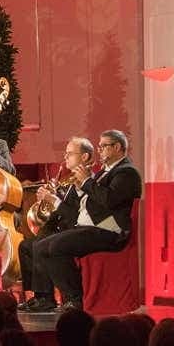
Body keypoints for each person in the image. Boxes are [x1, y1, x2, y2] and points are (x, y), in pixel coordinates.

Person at [22, 130, 142, 313]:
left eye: (103, 146)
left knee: (55, 248)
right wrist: (80, 187)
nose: (99, 150)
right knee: (41, 245)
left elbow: (109, 200)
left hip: (109, 231)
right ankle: (58, 298)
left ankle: (74, 299)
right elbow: (93, 199)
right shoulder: (105, 172)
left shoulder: (127, 173)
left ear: (117, 147)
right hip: (92, 227)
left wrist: (85, 182)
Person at [19, 137, 92, 307]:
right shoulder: (69, 181)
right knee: (26, 246)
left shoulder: (87, 181)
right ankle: (40, 295)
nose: (65, 157)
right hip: (61, 227)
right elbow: (59, 208)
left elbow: (76, 214)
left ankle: (48, 298)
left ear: (85, 157)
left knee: (41, 241)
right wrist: (47, 198)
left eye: (70, 154)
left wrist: (53, 200)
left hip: (76, 229)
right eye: (65, 154)